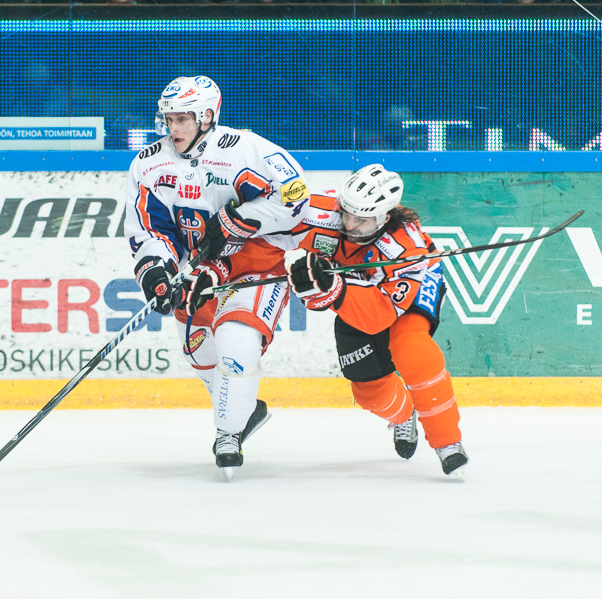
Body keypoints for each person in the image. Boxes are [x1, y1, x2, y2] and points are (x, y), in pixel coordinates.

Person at [124, 75, 311, 477]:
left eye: (182, 119)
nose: (173, 128)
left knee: (236, 346)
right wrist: (157, 270)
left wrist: (239, 220)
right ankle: (244, 412)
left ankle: (228, 432)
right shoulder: (147, 163)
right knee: (200, 353)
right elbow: (149, 228)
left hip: (255, 263)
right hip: (197, 272)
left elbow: (296, 196)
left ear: (207, 116)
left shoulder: (244, 149)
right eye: (168, 119)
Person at [283, 164, 468, 476]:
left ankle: (448, 443)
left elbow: (379, 316)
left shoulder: (406, 250)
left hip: (407, 295)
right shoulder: (322, 213)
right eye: (347, 213)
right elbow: (271, 227)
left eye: (361, 219)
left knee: (412, 350)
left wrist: (333, 288)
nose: (349, 224)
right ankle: (403, 415)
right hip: (361, 294)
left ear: (384, 217)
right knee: (367, 387)